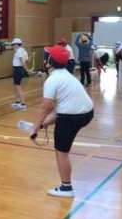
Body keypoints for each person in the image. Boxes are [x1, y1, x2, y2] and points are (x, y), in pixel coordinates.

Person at [30, 45, 93, 197]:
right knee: (61, 120)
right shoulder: (67, 75)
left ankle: (66, 188)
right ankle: (66, 186)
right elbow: (60, 109)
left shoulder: (52, 80)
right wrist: (43, 123)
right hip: (87, 113)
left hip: (72, 117)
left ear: (48, 62)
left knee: (61, 152)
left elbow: (46, 107)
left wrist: (35, 128)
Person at [11, 38, 28, 110]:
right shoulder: (23, 51)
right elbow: (26, 61)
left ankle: (23, 104)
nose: (12, 46)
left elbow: (22, 61)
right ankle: (17, 102)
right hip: (19, 69)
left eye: (13, 45)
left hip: (18, 69)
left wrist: (27, 70)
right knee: (16, 86)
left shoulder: (19, 51)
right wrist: (26, 69)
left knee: (18, 86)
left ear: (16, 45)